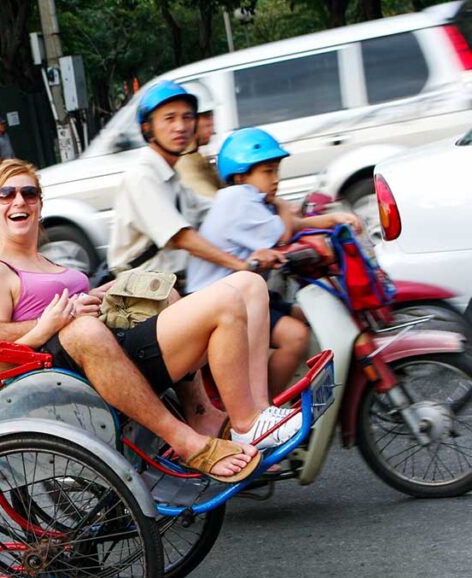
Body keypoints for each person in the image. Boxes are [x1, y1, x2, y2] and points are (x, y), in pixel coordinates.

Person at [0, 151, 267, 483]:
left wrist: (94, 296)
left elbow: (38, 297)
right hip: (29, 382)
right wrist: (53, 320)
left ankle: (206, 410)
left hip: (74, 347)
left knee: (174, 291)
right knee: (91, 329)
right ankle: (208, 431)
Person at [0, 159, 302, 463]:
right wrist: (46, 327)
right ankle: (244, 422)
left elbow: (77, 306)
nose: (19, 201)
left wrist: (98, 294)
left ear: (40, 205)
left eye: (29, 193)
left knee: (249, 285)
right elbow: (0, 367)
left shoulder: (47, 262)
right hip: (84, 373)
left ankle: (258, 411)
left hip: (112, 343)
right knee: (226, 302)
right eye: (6, 194)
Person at [187, 128, 363, 393]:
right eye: (267, 172)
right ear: (241, 175)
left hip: (242, 296)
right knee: (295, 336)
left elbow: (296, 223)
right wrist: (281, 205)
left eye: (276, 171)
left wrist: (335, 220)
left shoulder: (251, 201)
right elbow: (283, 233)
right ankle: (264, 409)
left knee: (308, 316)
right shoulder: (236, 199)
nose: (275, 179)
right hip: (216, 303)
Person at [108, 80, 280, 277]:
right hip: (145, 292)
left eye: (187, 117)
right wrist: (241, 265)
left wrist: (278, 207)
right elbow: (183, 238)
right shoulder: (141, 178)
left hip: (175, 282)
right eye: (169, 119)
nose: (180, 127)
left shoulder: (173, 178)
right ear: (148, 128)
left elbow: (217, 209)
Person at [175, 81, 221, 199]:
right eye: (205, 116)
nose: (211, 122)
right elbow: (214, 204)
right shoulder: (185, 165)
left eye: (211, 115)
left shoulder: (197, 158)